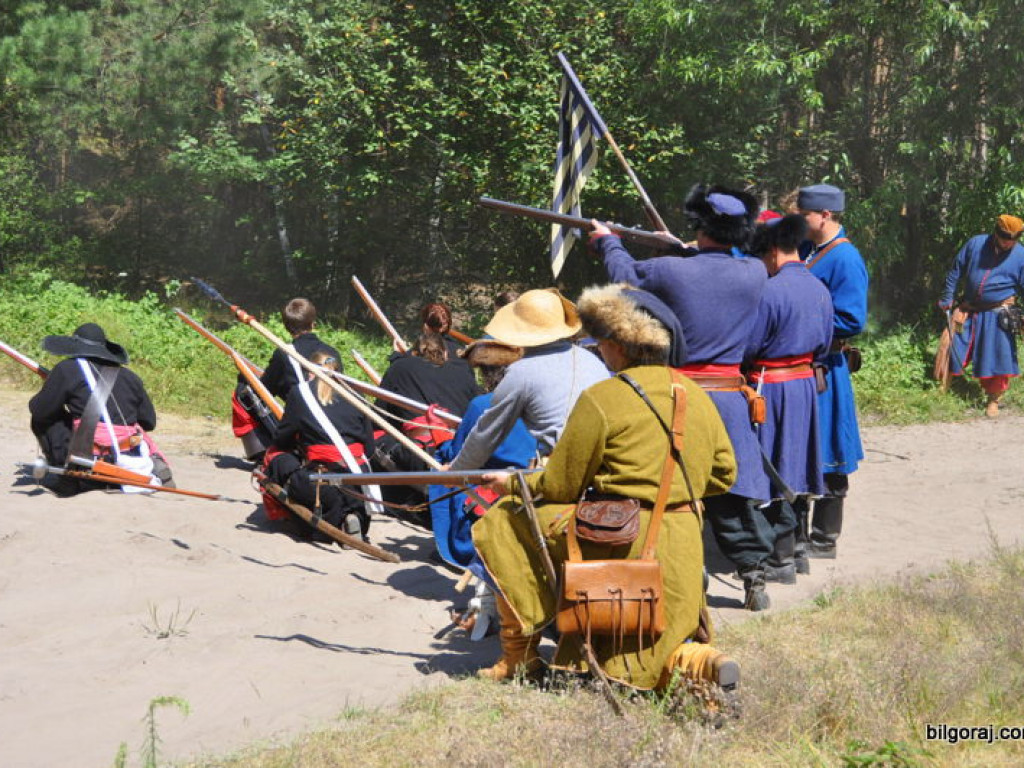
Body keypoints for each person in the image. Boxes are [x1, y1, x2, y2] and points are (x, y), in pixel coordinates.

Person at [473, 284, 736, 689]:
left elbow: (561, 485)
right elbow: (723, 475)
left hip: (621, 537)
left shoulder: (603, 398)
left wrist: (513, 484)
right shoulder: (695, 394)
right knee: (665, 656)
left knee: (502, 523)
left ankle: (519, 658)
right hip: (683, 540)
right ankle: (702, 661)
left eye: (603, 342)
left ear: (617, 345)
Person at [591, 183, 774, 611]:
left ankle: (685, 573)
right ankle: (754, 578)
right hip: (730, 398)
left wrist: (608, 241)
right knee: (736, 493)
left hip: (680, 396)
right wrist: (685, 248)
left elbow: (626, 274)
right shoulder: (753, 271)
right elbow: (709, 267)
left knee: (669, 487)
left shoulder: (672, 270)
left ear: (701, 227)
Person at [746, 215, 834, 581]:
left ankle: (778, 560)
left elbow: (750, 345)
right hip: (804, 386)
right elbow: (826, 344)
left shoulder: (769, 290)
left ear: (771, 251)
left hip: (773, 386)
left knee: (773, 468)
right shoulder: (819, 288)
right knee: (797, 464)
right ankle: (797, 551)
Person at [447, 288, 609, 471]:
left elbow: (486, 434)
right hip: (603, 466)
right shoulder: (593, 361)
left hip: (565, 473)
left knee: (507, 502)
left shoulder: (521, 372)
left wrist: (454, 472)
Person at [797, 183, 868, 560]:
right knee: (803, 449)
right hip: (802, 368)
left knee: (830, 451)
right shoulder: (810, 249)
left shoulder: (845, 259)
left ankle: (824, 540)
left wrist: (800, 323)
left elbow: (851, 318)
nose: (800, 220)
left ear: (824, 215)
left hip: (828, 368)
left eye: (805, 215)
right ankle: (796, 538)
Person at [429, 339, 538, 570]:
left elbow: (462, 455)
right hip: (533, 479)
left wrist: (442, 440)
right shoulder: (539, 401)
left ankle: (452, 545)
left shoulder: (482, 404)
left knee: (442, 468)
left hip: (497, 486)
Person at [29, 323, 173, 496]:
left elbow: (39, 410)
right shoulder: (130, 377)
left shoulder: (67, 369)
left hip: (88, 458)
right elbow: (148, 421)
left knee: (43, 420)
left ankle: (68, 478)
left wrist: (54, 385)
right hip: (126, 456)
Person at [261, 350, 375, 540]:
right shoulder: (357, 393)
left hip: (323, 478)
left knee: (279, 461)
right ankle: (353, 515)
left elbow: (282, 439)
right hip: (359, 480)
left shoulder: (300, 393)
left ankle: (333, 518)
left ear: (310, 373)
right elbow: (369, 448)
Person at [232, 298, 339, 460]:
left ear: (286, 326)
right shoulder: (332, 353)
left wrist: (246, 375)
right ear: (313, 323)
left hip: (305, 423)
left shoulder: (284, 354)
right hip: (334, 418)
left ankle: (263, 451)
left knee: (243, 391)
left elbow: (264, 390)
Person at [938, 214, 1024, 418]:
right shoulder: (976, 243)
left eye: (1012, 239)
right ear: (996, 233)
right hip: (968, 308)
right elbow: (955, 271)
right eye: (1004, 238)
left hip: (998, 312)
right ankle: (943, 388)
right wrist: (947, 297)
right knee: (952, 345)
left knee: (997, 357)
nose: (1007, 243)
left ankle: (993, 400)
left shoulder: (1021, 255)